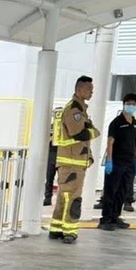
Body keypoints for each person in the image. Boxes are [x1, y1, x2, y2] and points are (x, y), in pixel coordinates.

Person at [49, 75, 99, 244]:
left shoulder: (80, 109)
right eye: (89, 89)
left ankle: (56, 229)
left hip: (73, 161)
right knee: (73, 198)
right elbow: (79, 133)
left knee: (65, 196)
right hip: (72, 162)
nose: (92, 92)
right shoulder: (74, 110)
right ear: (79, 90)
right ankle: (69, 230)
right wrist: (94, 131)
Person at [99, 93, 136, 231]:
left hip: (130, 162)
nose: (131, 106)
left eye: (134, 104)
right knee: (111, 190)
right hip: (117, 162)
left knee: (123, 191)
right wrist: (109, 161)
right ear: (124, 104)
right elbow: (110, 142)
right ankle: (105, 219)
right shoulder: (116, 122)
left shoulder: (135, 123)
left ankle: (115, 216)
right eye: (128, 103)